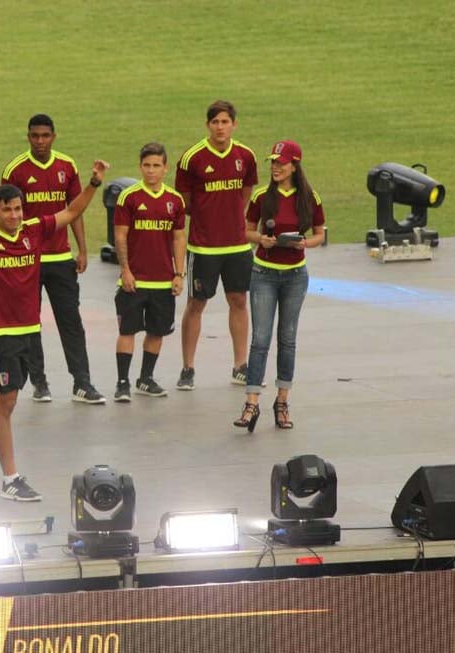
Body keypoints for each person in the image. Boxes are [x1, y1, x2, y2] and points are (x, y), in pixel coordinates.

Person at [0, 159, 110, 502]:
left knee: (6, 402)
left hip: (28, 331)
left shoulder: (34, 230)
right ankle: (10, 478)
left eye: (18, 209)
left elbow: (70, 212)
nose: (15, 216)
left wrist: (92, 183)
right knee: (4, 404)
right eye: (7, 210)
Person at [1, 114, 104, 404]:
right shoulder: (16, 170)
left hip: (60, 258)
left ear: (54, 136)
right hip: (27, 259)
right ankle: (39, 382)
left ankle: (82, 382)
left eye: (45, 136)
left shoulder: (66, 166)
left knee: (70, 320)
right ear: (28, 137)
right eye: (35, 136)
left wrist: (82, 249)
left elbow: (74, 210)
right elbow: (6, 217)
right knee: (30, 322)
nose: (40, 141)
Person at [234, 140, 325, 432]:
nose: (275, 167)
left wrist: (304, 243)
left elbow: (319, 234)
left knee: (287, 339)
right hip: (264, 273)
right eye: (273, 162)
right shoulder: (262, 196)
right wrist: (261, 239)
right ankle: (251, 402)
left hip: (295, 276)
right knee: (260, 339)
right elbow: (246, 230)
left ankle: (282, 401)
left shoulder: (310, 198)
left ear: (294, 165)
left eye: (281, 163)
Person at [174, 100, 258, 390]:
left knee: (239, 301)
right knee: (196, 303)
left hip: (236, 246)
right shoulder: (191, 158)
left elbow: (245, 193)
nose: (220, 127)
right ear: (207, 125)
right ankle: (188, 368)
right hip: (204, 247)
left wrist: (231, 218)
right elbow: (183, 202)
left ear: (234, 124)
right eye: (215, 122)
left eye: (225, 122)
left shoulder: (245, 156)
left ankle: (240, 365)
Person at [112, 143, 187, 401]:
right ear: (140, 167)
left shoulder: (175, 201)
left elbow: (178, 239)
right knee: (127, 331)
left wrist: (179, 274)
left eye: (156, 166)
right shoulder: (129, 197)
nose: (151, 171)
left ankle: (145, 378)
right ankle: (122, 383)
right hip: (135, 280)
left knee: (157, 332)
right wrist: (125, 271)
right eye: (147, 166)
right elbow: (120, 236)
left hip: (163, 281)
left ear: (165, 168)